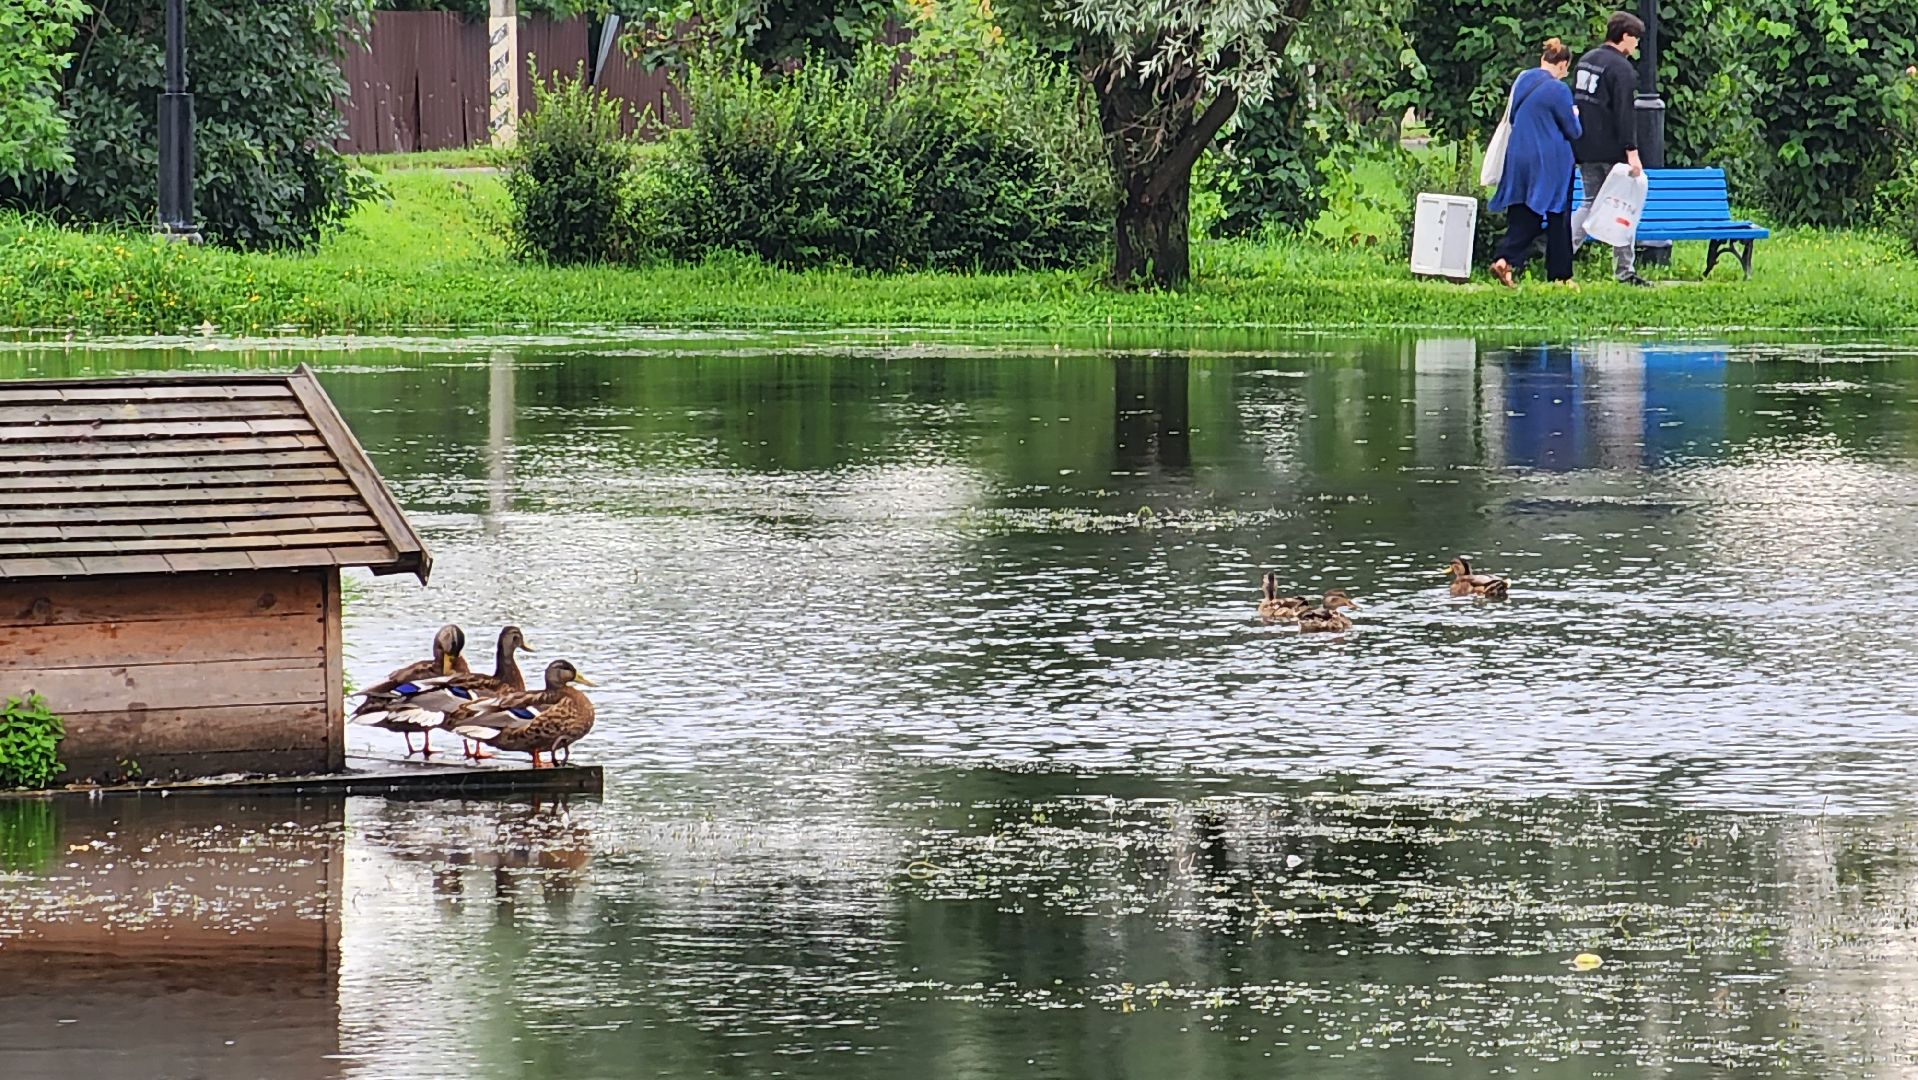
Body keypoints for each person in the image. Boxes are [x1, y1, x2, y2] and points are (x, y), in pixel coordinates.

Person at [1487, 38, 1581, 288]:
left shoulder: (1523, 80)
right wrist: (1575, 114)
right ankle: (1560, 275)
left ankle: (1505, 262)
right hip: (1550, 161)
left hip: (1518, 155)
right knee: (1556, 214)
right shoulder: (1559, 90)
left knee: (1522, 210)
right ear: (1562, 65)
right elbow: (1573, 130)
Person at [1570, 11, 1651, 287]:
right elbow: (1624, 113)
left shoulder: (1586, 61)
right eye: (1636, 39)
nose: (1637, 45)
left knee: (1588, 203)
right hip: (1612, 151)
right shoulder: (1622, 70)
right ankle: (1625, 272)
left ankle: (1559, 257)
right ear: (1625, 37)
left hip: (1584, 145)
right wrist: (1631, 150)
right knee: (1625, 207)